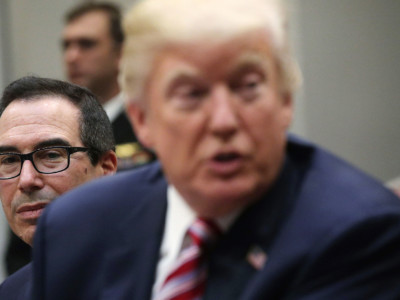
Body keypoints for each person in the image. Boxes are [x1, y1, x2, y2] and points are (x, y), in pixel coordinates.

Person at [32, 0, 400, 299]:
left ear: (285, 100)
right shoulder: (76, 226)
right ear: (142, 120)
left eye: (248, 86)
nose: (224, 120)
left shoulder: (358, 231)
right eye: (191, 94)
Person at [0, 76, 117, 299]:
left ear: (106, 168)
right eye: (9, 160)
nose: (26, 180)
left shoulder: (160, 275)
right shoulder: (11, 292)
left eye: (52, 155)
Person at [62, 2, 154, 168]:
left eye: (86, 44)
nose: (71, 57)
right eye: (67, 45)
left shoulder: (148, 122)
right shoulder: (61, 126)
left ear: (121, 53)